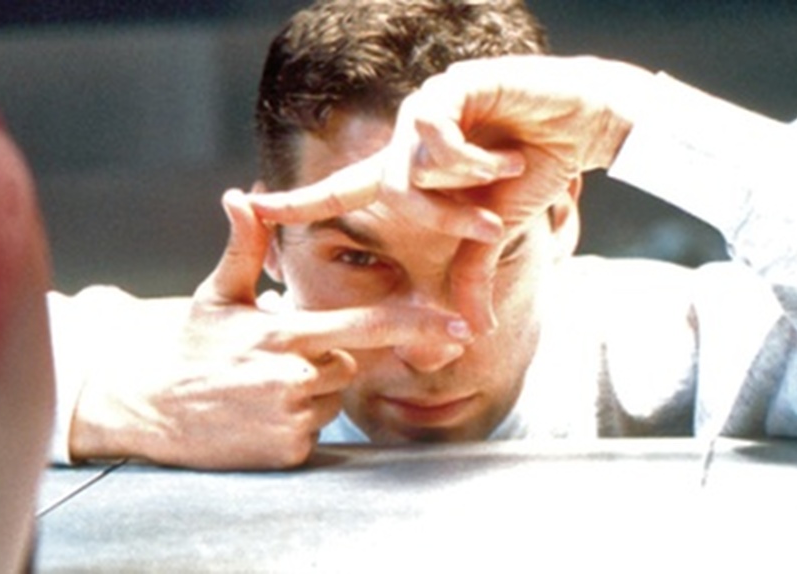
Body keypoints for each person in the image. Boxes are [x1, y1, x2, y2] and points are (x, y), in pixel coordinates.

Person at [49, 0, 795, 468]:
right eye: (359, 258)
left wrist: (623, 116)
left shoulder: (696, 350)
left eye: (488, 253)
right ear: (271, 238)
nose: (432, 349)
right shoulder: (195, 370)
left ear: (561, 214)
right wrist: (126, 403)